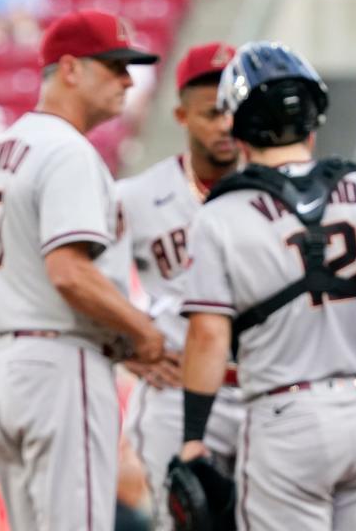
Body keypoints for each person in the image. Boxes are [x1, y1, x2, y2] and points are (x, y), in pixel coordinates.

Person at [178, 41, 356, 530]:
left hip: (286, 415)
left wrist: (193, 435)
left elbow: (208, 336)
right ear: (313, 113)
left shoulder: (221, 214)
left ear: (239, 124)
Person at [0, 10, 165, 531]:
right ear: (72, 69)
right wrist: (143, 332)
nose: (129, 79)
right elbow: (69, 274)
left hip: (8, 364)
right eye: (115, 65)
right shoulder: (68, 151)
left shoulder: (8, 146)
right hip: (61, 365)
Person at [118, 42, 245, 530]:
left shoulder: (274, 190)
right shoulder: (138, 195)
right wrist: (124, 346)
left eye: (234, 110)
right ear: (181, 115)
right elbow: (74, 274)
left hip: (264, 389)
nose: (226, 125)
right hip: (176, 390)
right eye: (211, 113)